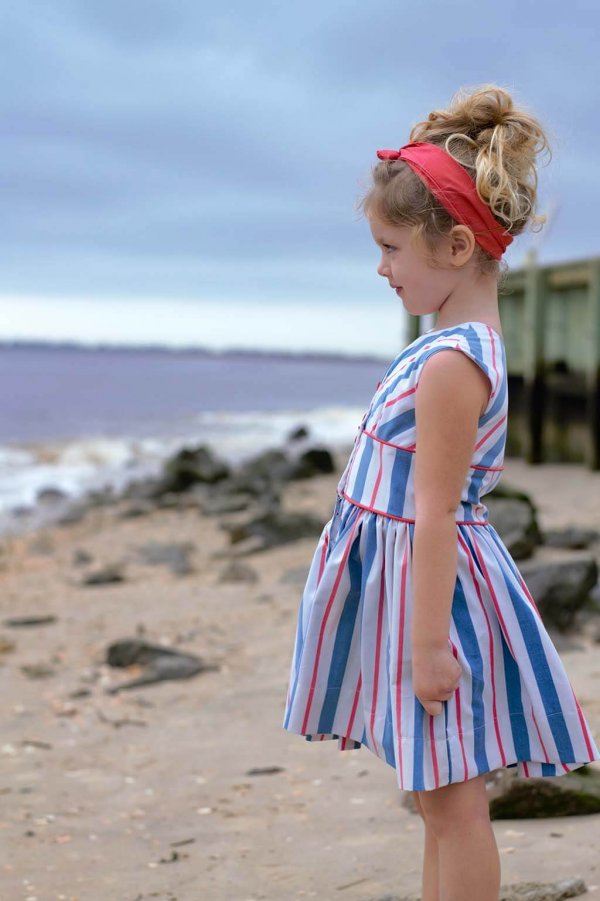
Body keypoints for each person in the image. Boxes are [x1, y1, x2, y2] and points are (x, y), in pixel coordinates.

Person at [281, 84, 600, 901]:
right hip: (414, 598)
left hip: (436, 607)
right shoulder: (449, 345)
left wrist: (426, 647)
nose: (381, 267)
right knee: (435, 798)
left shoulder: (455, 363)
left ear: (457, 247)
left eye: (392, 248)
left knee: (456, 808)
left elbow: (434, 511)